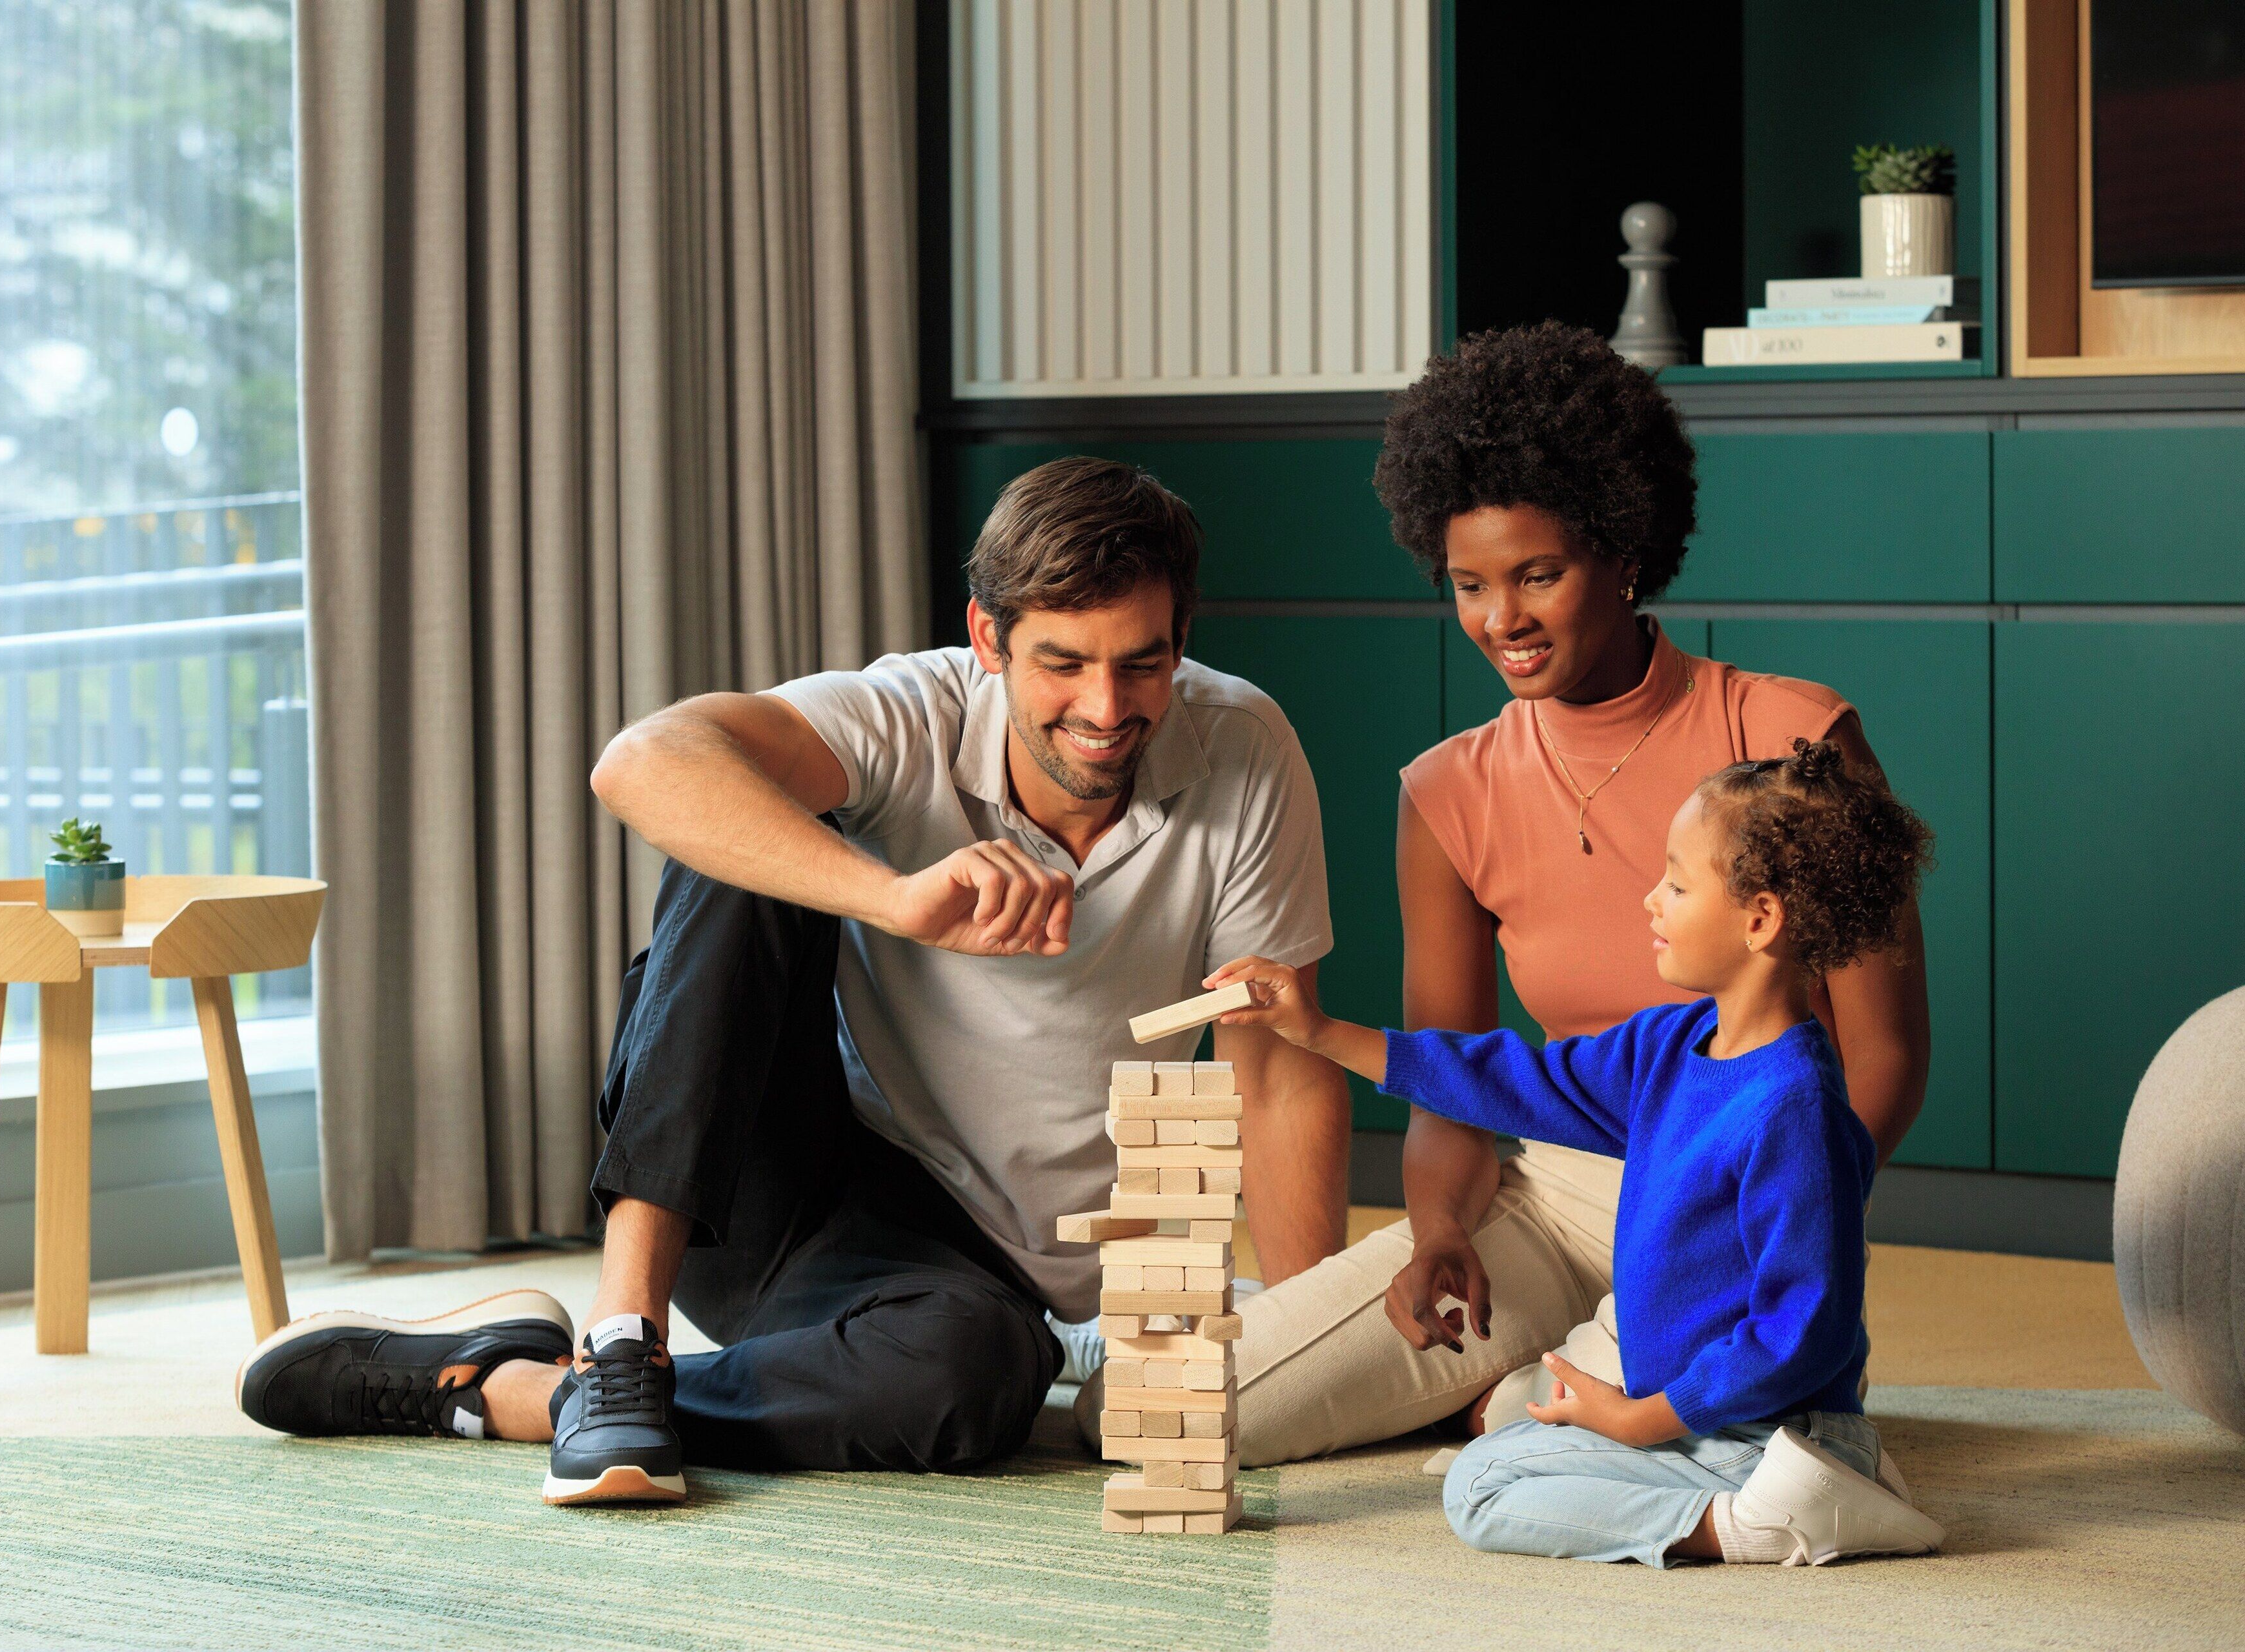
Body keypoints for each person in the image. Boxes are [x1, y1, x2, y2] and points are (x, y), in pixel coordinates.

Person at [232, 456, 1351, 1504]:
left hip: (981, 1289)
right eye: (1063, 662)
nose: (1108, 711)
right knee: (742, 841)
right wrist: (897, 897)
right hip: (789, 1194)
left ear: (1181, 639)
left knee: (977, 1384)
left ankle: (517, 1391)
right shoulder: (908, 714)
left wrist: (1318, 1350)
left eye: (1142, 662)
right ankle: (623, 1340)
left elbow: (1280, 1076)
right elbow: (642, 762)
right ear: (989, 640)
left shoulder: (1244, 751)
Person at [1217, 321, 1935, 1468]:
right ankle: (1519, 1377)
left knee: (1534, 1435)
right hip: (1550, 1196)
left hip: (1742, 1193)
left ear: (1624, 551)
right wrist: (1442, 1229)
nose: (1502, 618)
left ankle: (1551, 1396)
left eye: (1537, 574)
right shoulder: (1449, 792)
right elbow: (1457, 1071)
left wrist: (1792, 1209)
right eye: (1469, 585)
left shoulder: (1793, 738)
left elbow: (1884, 1050)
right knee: (1208, 1406)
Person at [1212, 739, 1947, 1566]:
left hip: (1763, 1424)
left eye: (1676, 882)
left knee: (1480, 1490)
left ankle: (1767, 1516)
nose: (1649, 899)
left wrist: (1648, 1419)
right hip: (1702, 1411)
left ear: (1760, 919)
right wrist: (1318, 1031)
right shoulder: (1675, 1046)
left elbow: (1802, 1330)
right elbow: (1510, 1080)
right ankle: (1801, 1489)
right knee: (1498, 1455)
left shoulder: (1796, 1111)